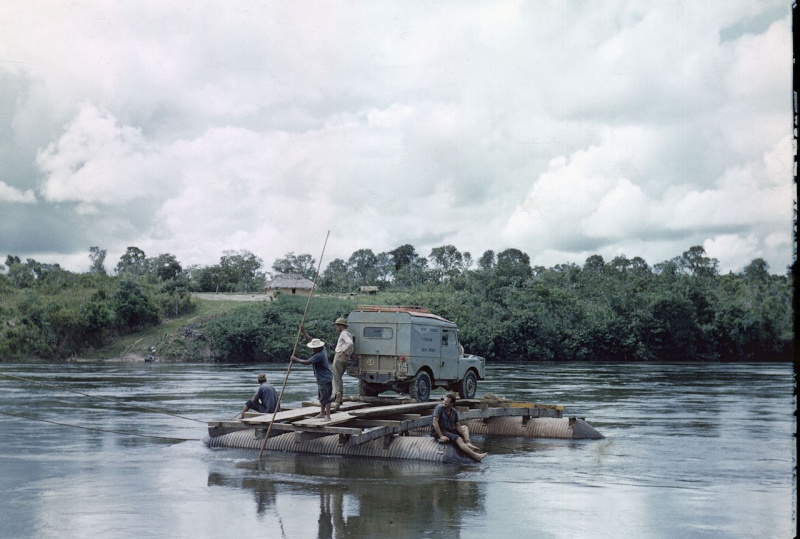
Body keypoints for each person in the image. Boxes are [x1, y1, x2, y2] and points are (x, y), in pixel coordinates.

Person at [430, 393, 487, 462]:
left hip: (448, 430)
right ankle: (476, 456)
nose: (444, 403)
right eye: (444, 401)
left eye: (446, 402)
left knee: (465, 428)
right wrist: (441, 436)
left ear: (452, 404)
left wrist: (465, 436)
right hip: (439, 431)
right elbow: (435, 422)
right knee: (458, 439)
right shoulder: (439, 408)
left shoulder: (453, 411)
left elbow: (457, 425)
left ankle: (467, 444)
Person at [291, 337, 334, 420]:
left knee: (326, 397)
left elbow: (307, 362)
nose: (312, 349)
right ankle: (322, 413)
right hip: (321, 378)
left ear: (318, 348)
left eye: (314, 348)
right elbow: (309, 340)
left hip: (325, 378)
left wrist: (295, 359)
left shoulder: (319, 355)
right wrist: (303, 331)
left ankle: (327, 416)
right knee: (321, 397)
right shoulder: (322, 349)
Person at [330, 317, 353, 406]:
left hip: (339, 356)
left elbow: (350, 343)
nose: (336, 328)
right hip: (345, 358)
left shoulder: (344, 334)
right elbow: (351, 345)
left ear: (341, 326)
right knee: (338, 377)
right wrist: (347, 354)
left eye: (337, 326)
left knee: (336, 377)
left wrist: (343, 351)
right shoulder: (348, 333)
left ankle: (337, 395)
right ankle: (339, 396)